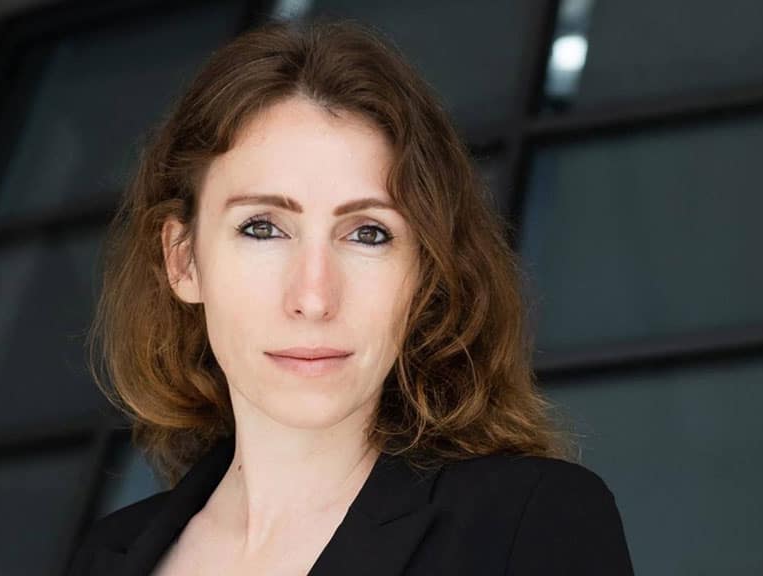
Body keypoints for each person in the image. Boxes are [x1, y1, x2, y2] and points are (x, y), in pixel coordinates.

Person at [69, 17, 634, 576]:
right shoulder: (107, 555)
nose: (314, 298)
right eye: (262, 228)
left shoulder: (525, 523)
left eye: (368, 234)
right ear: (183, 260)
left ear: (424, 273)